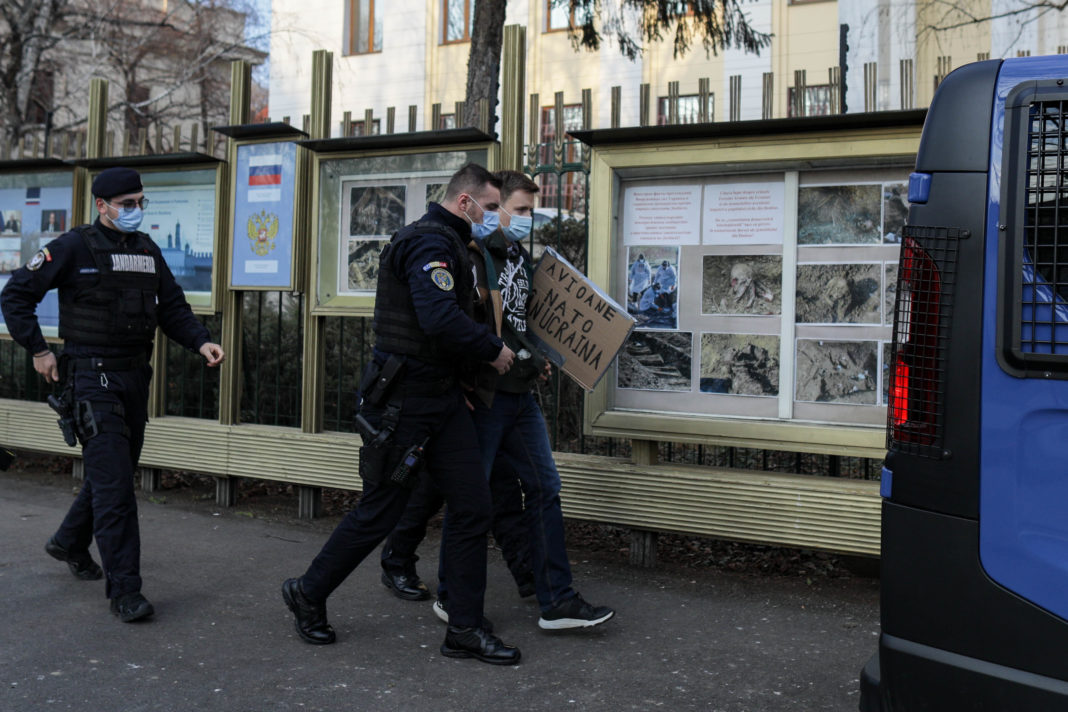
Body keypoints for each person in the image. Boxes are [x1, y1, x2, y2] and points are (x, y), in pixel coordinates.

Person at [280, 163, 522, 665]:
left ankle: (464, 630)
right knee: (382, 510)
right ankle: (308, 590)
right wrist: (491, 350)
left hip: (442, 400)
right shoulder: (430, 244)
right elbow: (437, 319)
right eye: (492, 207)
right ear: (465, 203)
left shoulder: (455, 243)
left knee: (474, 506)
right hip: (406, 403)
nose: (495, 217)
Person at [382, 170, 615, 631]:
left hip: (519, 395)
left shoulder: (517, 254)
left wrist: (536, 358)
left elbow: (517, 323)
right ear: (494, 205)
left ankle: (557, 600)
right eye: (519, 210)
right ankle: (453, 595)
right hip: (485, 397)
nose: (527, 219)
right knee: (470, 501)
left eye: (532, 210)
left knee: (545, 489)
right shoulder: (468, 254)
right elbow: (456, 324)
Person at [0, 166, 225, 622]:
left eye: (141, 202)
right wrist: (40, 350)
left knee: (115, 471)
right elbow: (16, 295)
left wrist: (201, 340)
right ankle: (126, 591)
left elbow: (173, 306)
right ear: (102, 206)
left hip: (133, 378)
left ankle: (68, 541)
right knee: (117, 487)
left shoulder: (146, 249)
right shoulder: (72, 247)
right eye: (127, 204)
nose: (136, 211)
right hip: (89, 378)